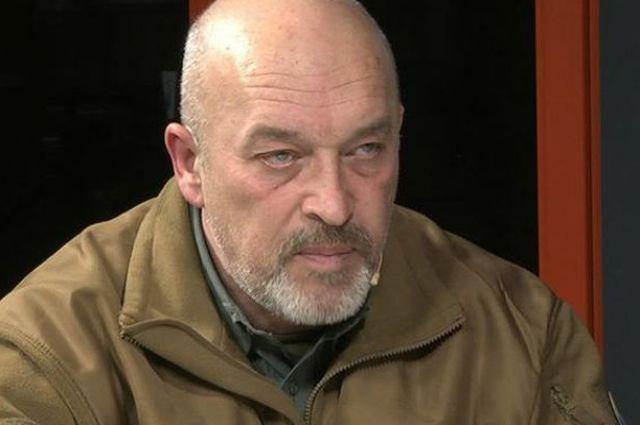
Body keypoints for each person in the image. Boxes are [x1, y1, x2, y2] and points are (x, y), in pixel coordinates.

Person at [0, 0, 619, 423]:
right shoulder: (44, 355)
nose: (335, 203)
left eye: (365, 149)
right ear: (190, 163)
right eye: (280, 156)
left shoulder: (522, 333)